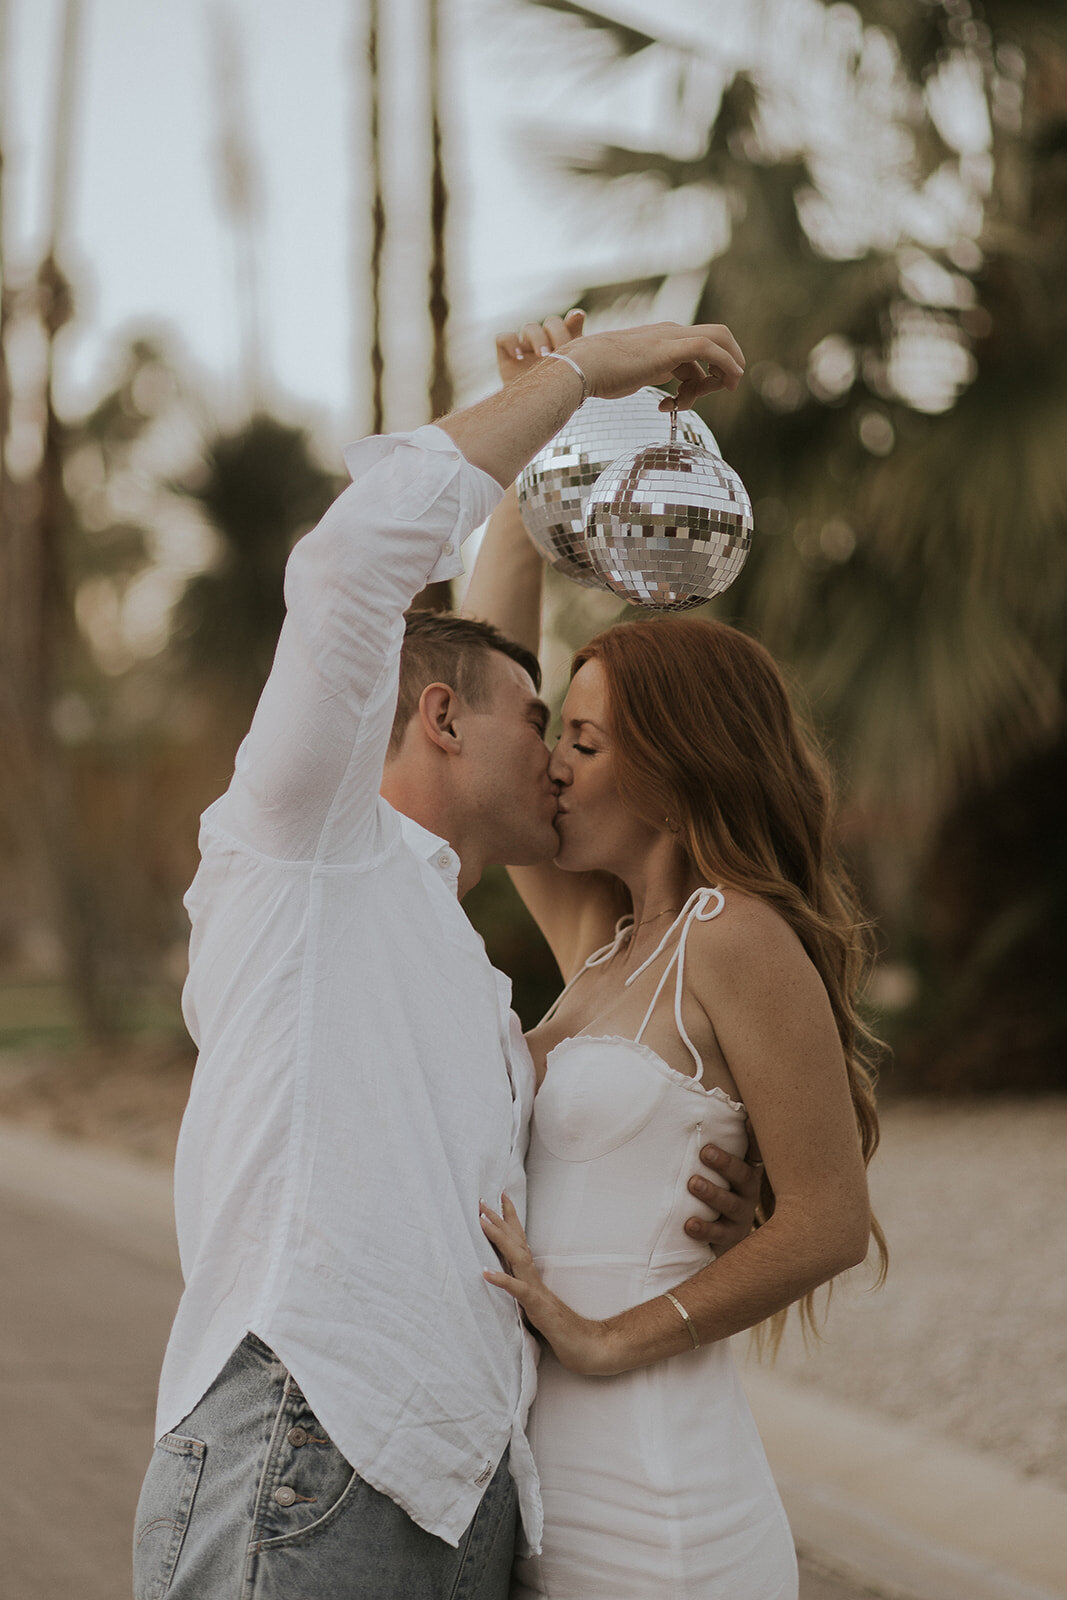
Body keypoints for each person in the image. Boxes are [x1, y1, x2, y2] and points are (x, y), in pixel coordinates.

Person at [131, 317, 761, 1600]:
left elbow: (580, 1179)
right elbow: (353, 564)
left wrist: (712, 1199)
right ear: (434, 717)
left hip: (466, 1501)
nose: (559, 755)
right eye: (538, 722)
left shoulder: (469, 980)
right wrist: (576, 379)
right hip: (308, 1463)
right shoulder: (305, 849)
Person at [463, 314, 886, 1599]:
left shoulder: (735, 937)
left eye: (583, 741)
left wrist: (604, 1341)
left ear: (674, 759)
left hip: (663, 1512)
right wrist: (551, 403)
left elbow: (826, 1217)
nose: (550, 762)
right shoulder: (602, 946)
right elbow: (489, 655)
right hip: (551, 1496)